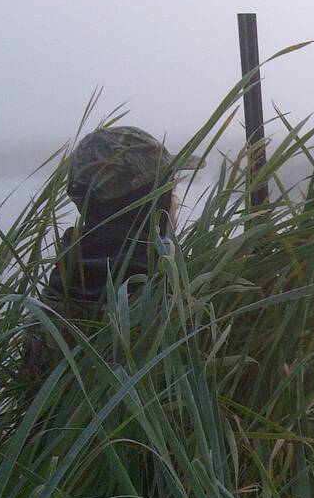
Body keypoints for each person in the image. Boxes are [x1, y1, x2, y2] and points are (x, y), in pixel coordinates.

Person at [21, 126, 200, 380]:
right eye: (169, 190)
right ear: (151, 203)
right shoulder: (176, 307)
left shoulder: (48, 311)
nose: (175, 201)